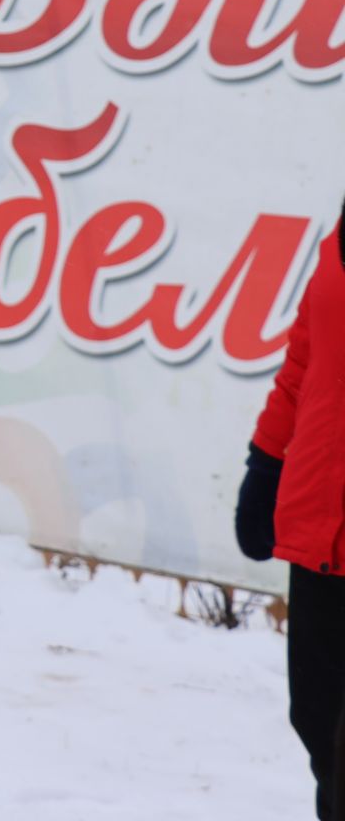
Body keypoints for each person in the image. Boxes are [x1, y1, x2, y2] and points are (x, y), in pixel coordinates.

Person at [236, 203, 345, 821]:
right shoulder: (340, 236)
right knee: (318, 725)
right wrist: (267, 464)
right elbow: (305, 360)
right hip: (321, 537)